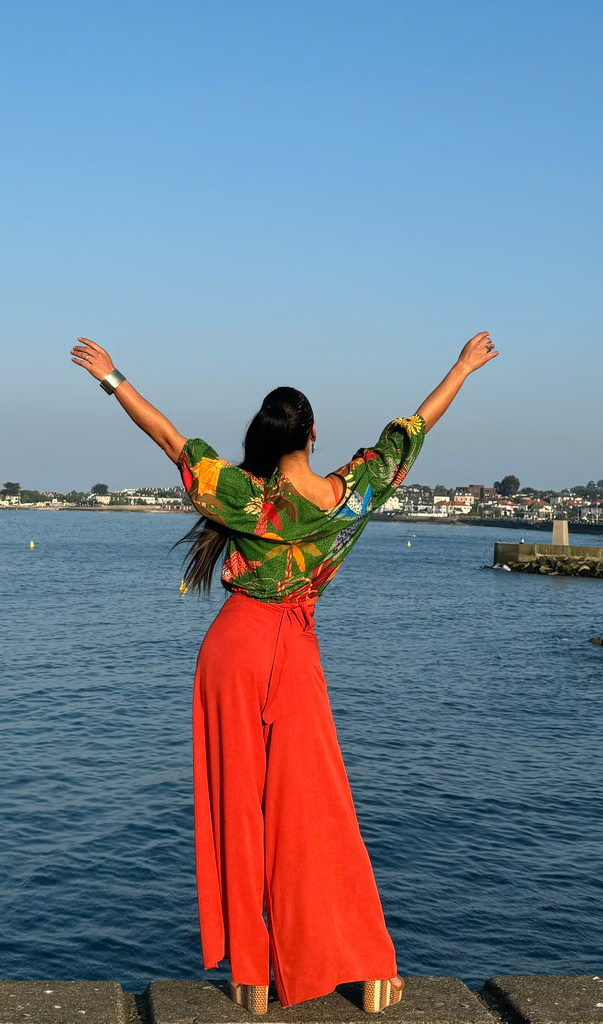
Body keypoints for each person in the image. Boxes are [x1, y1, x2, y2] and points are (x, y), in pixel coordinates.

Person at [71, 331, 498, 1013]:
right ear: (313, 434)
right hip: (294, 650)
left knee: (236, 807)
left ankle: (253, 975)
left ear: (264, 437)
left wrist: (111, 376)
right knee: (320, 807)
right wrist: (462, 368)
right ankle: (367, 963)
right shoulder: (351, 493)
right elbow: (414, 427)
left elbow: (170, 440)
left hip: (235, 650)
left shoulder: (242, 495)